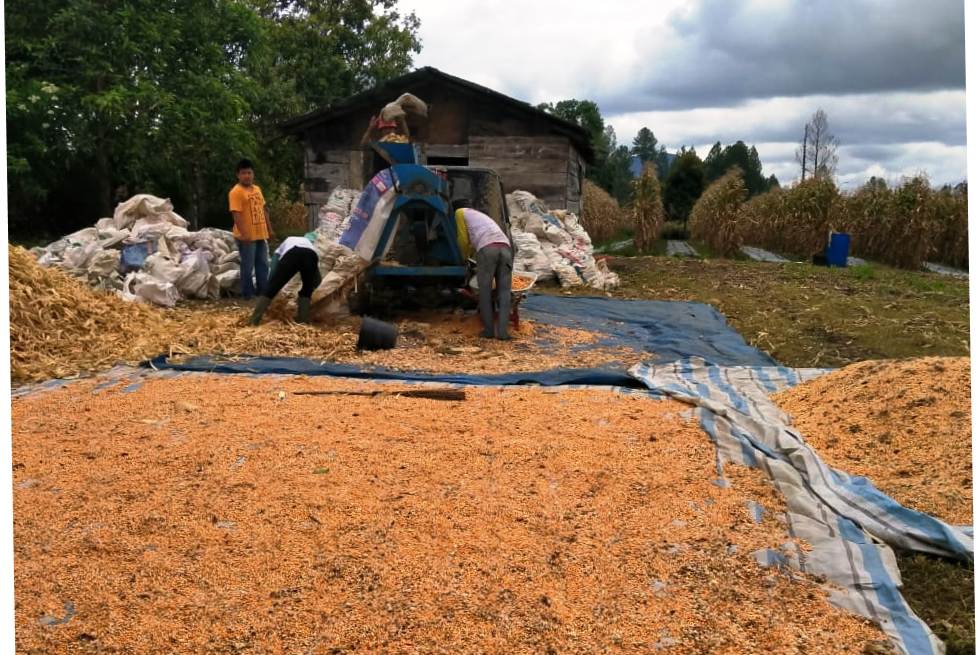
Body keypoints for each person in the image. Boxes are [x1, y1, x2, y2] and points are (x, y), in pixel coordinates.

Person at [454, 203, 513, 340]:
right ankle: (503, 333)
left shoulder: (459, 212)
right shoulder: (479, 217)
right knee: (504, 292)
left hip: (487, 249)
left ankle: (488, 331)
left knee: (485, 292)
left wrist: (464, 257)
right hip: (505, 248)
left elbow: (463, 240)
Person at [250, 233, 322, 325]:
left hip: (293, 254)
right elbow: (316, 275)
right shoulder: (311, 247)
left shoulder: (285, 243)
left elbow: (274, 266)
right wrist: (318, 286)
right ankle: (302, 321)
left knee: (272, 289)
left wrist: (270, 285)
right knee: (307, 289)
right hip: (311, 256)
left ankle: (253, 321)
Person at [228, 159, 274, 299]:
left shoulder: (257, 189)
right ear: (238, 175)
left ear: (253, 174)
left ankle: (263, 291)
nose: (247, 176)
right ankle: (248, 294)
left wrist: (270, 229)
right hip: (247, 236)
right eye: (243, 173)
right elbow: (236, 214)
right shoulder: (236, 192)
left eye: (249, 173)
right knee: (248, 266)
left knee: (263, 264)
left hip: (261, 233)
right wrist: (244, 234)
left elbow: (264, 210)